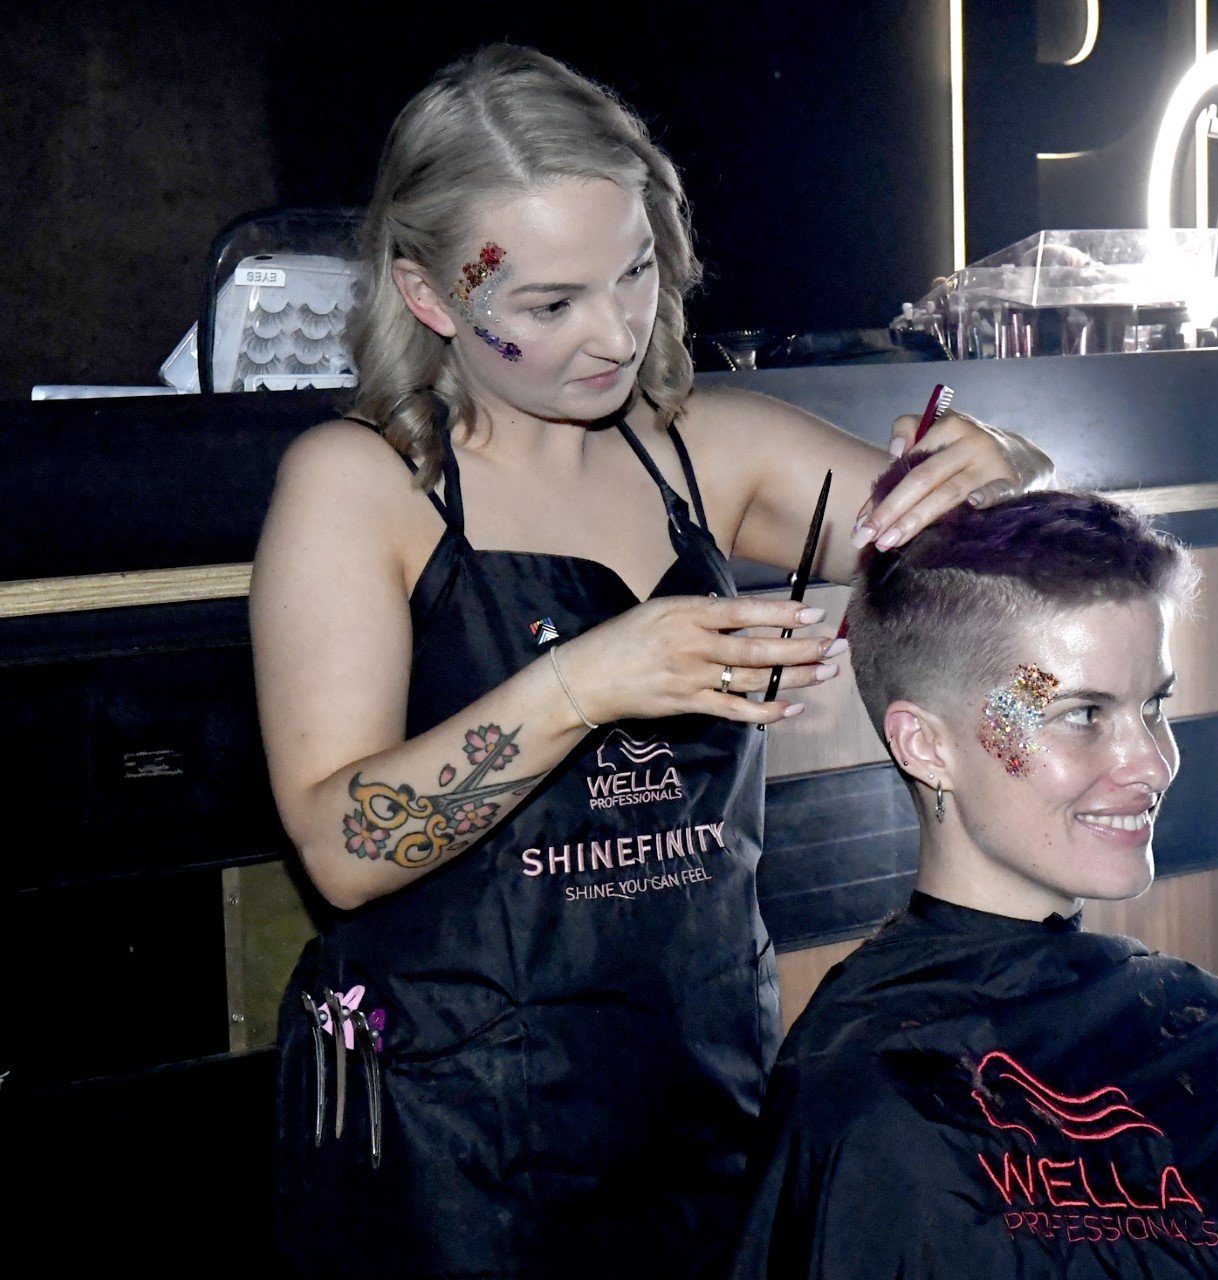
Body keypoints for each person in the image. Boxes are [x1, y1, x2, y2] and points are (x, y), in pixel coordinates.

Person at [250, 45, 1048, 1279]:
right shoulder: (360, 486)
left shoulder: (707, 452)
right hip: (450, 1142)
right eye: (550, 304)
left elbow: (1013, 563)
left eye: (633, 271)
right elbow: (345, 847)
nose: (616, 332)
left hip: (700, 1102)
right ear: (429, 294)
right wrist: (586, 680)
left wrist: (1006, 462)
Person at [727, 464, 1218, 1280]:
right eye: (1083, 714)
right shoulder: (868, 1097)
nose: (1152, 763)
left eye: (1154, 705)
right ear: (926, 746)